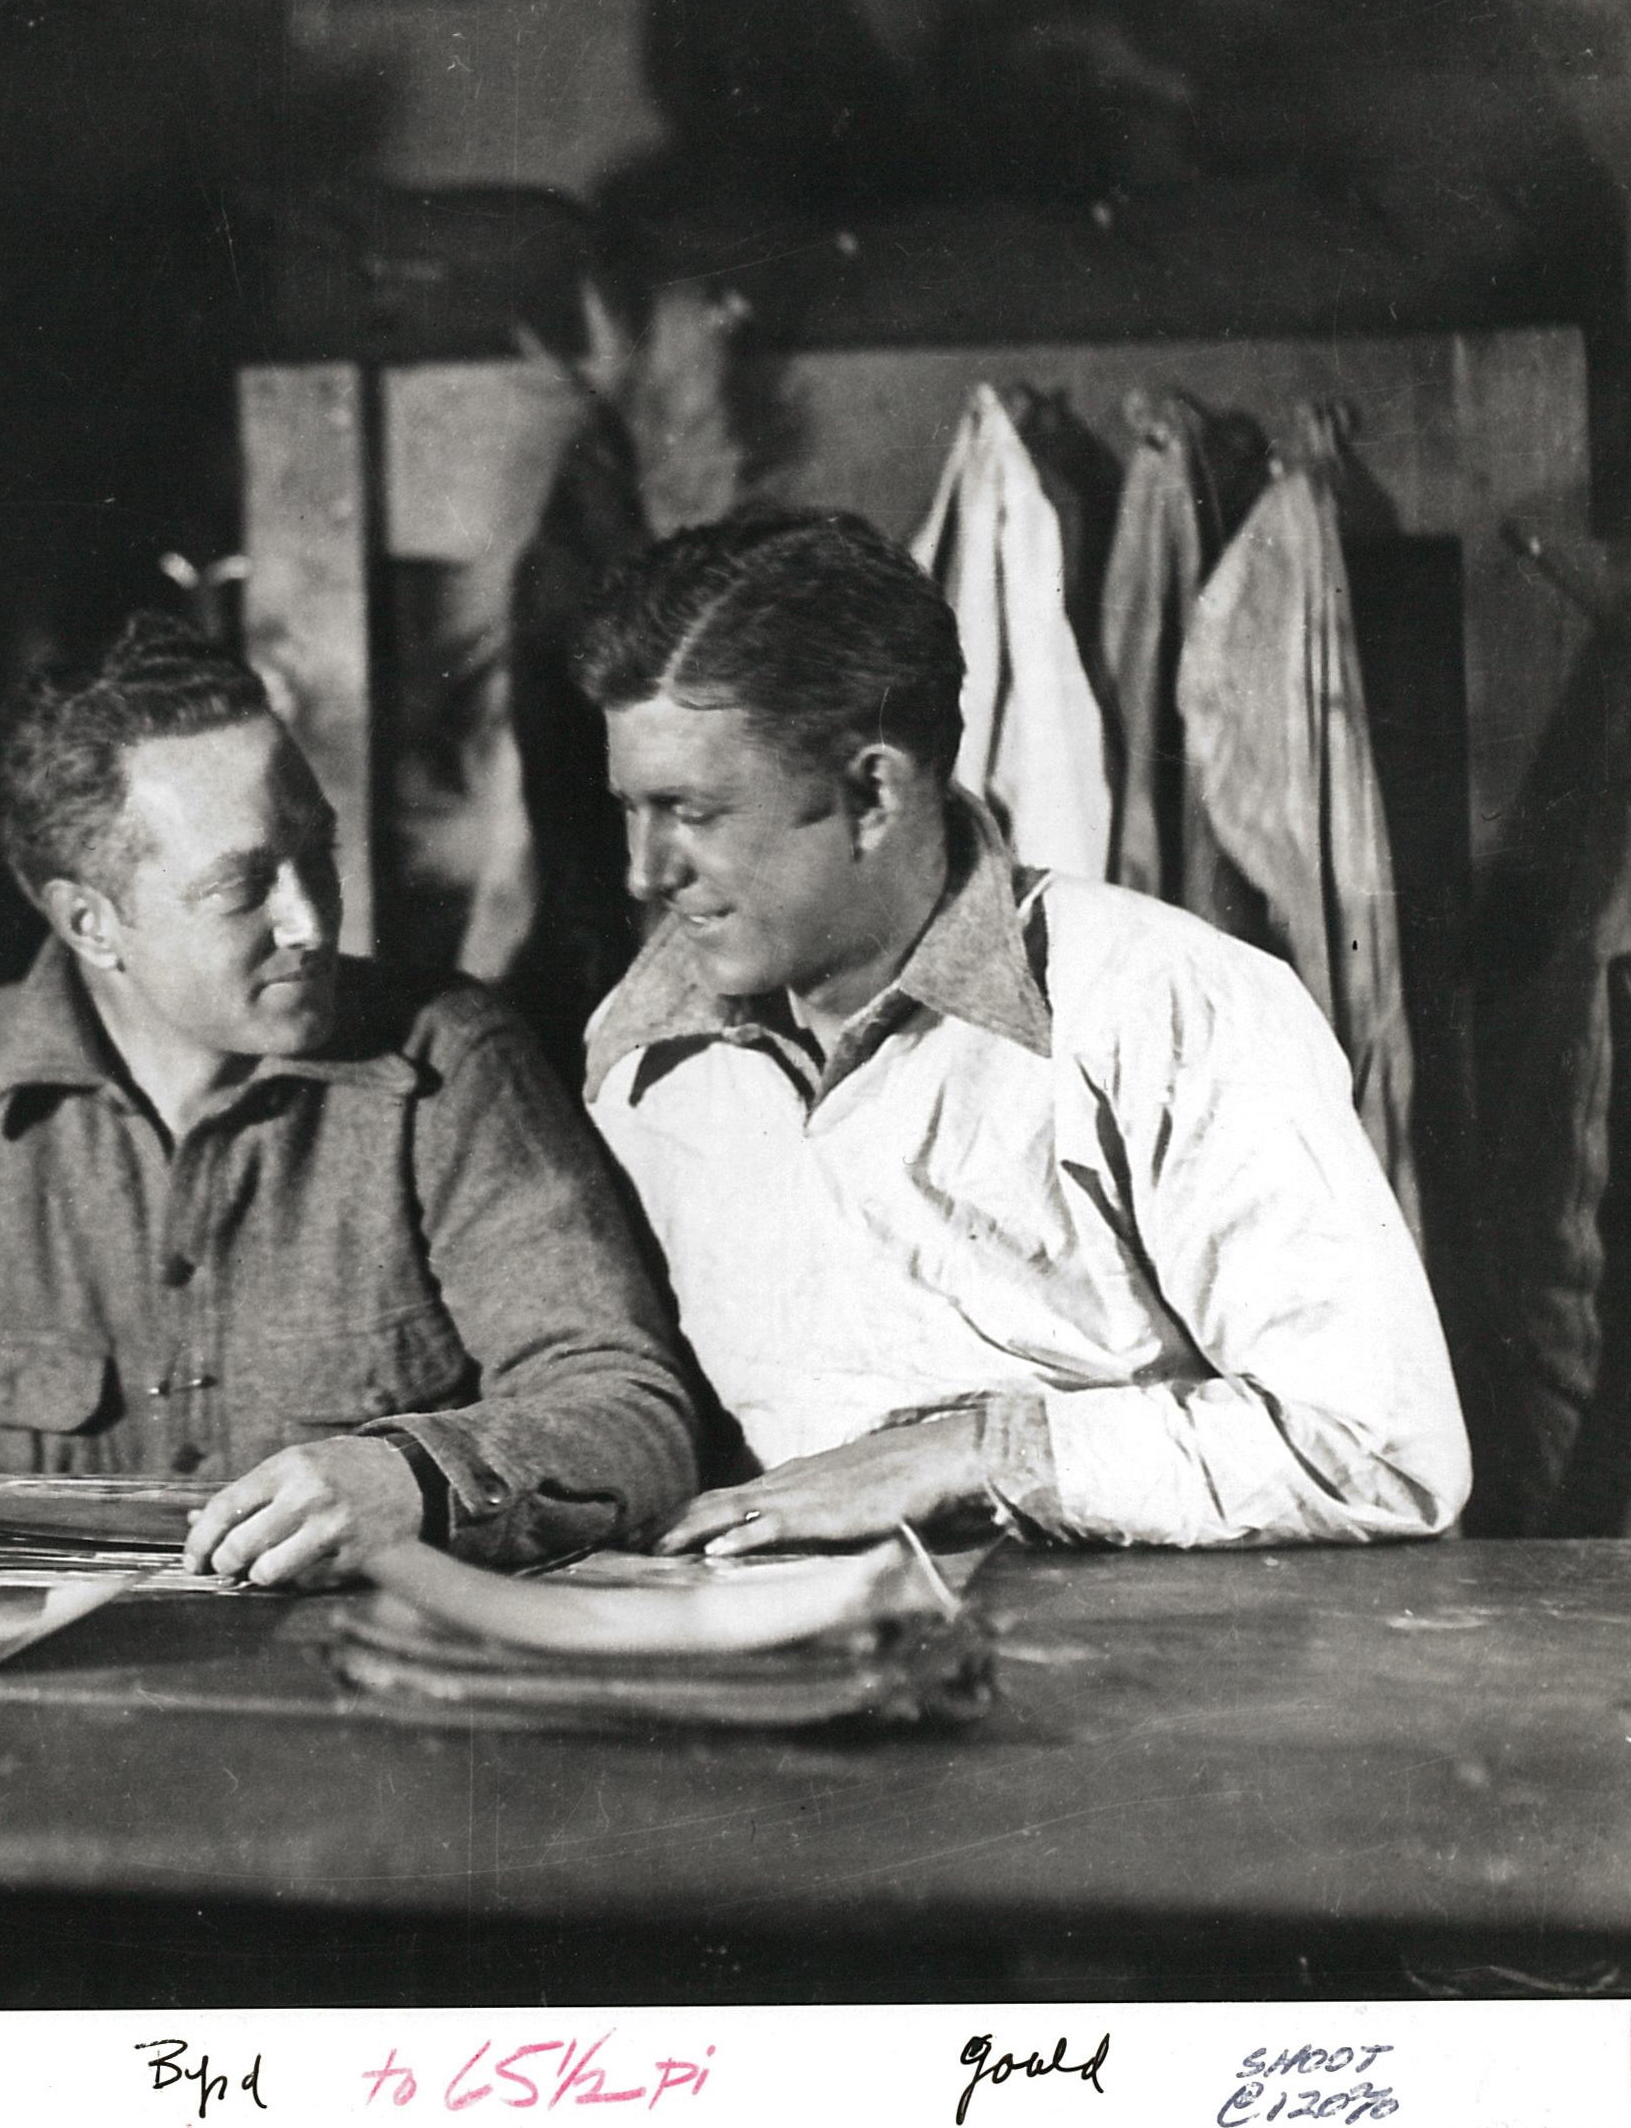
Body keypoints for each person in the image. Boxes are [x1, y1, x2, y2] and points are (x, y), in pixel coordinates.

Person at [0, 614, 700, 1587]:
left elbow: (627, 1405)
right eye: (240, 887)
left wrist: (413, 1474)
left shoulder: (447, 1062)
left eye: (313, 851)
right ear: (90, 923)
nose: (312, 919)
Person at [571, 507, 1471, 1552]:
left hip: (1171, 1669)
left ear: (871, 791)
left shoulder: (1169, 1004)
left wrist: (967, 1452)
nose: (645, 870)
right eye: (629, 811)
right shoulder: (640, 1053)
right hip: (815, 1661)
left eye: (693, 811)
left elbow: (1385, 1450)